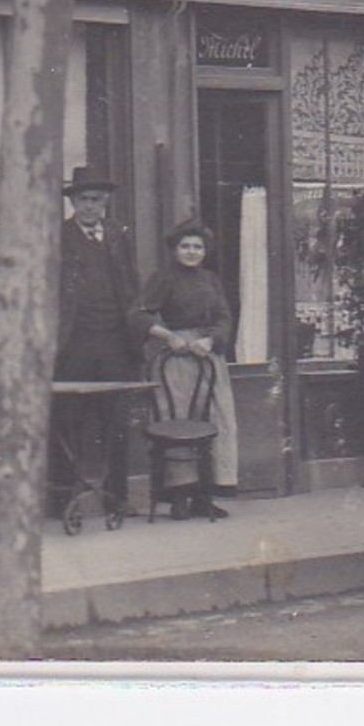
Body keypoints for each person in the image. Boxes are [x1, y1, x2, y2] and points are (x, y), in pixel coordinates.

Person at [129, 220, 238, 519]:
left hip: (207, 357)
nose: (192, 252)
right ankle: (179, 496)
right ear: (175, 250)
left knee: (214, 418)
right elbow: (138, 315)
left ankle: (205, 495)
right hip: (176, 362)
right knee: (178, 420)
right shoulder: (163, 279)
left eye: (198, 247)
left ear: (205, 251)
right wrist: (169, 337)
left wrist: (211, 338)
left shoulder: (212, 280)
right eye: (185, 246)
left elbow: (225, 318)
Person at [51, 165, 143, 514]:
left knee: (116, 418)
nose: (91, 207)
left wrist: (134, 331)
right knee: (67, 417)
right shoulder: (59, 237)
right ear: (74, 202)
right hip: (73, 342)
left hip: (115, 341)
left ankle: (117, 496)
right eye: (85, 200)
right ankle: (65, 496)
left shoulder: (119, 235)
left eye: (98, 200)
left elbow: (132, 287)